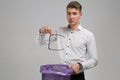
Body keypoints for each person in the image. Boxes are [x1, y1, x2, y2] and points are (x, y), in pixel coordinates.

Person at [38, 1, 98, 80]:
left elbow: (94, 60)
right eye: (68, 13)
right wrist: (41, 32)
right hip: (60, 75)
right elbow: (41, 42)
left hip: (77, 76)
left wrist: (80, 66)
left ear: (80, 14)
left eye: (74, 13)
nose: (71, 17)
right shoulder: (60, 31)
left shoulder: (88, 35)